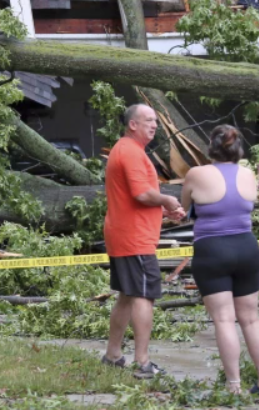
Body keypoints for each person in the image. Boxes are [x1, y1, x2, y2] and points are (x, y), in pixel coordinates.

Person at [181, 125, 259, 398]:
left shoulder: (196, 174)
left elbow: (186, 209)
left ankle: (234, 386)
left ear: (211, 145)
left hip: (212, 250)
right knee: (252, 319)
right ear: (238, 147)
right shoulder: (248, 174)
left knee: (224, 319)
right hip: (247, 249)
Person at [102, 104, 184, 379]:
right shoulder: (130, 151)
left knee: (127, 295)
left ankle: (113, 355)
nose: (154, 125)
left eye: (156, 121)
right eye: (148, 120)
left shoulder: (127, 149)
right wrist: (167, 199)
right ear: (132, 124)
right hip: (134, 237)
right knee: (144, 295)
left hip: (125, 233)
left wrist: (164, 211)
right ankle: (143, 362)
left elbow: (134, 198)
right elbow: (141, 194)